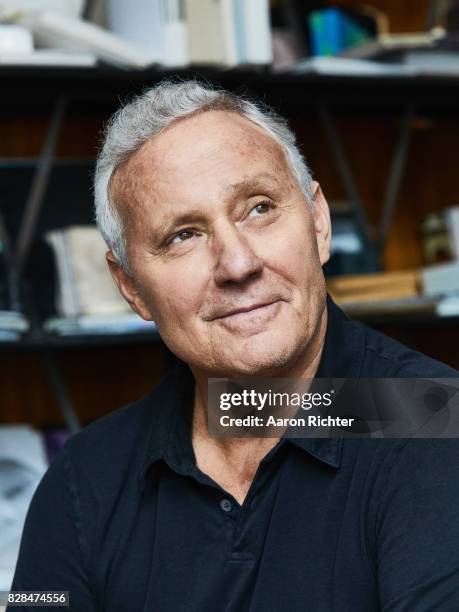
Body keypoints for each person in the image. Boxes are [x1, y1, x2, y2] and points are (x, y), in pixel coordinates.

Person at [8, 80, 459, 611]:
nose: (238, 264)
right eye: (183, 235)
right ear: (131, 286)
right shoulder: (83, 479)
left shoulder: (433, 418)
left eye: (259, 208)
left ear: (317, 222)